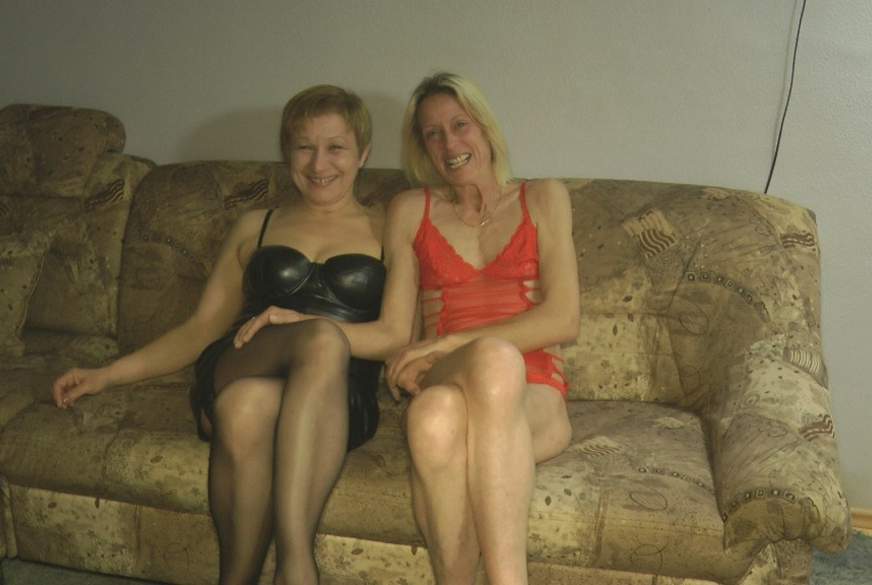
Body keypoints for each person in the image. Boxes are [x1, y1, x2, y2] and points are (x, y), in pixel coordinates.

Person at [237, 72, 580, 585]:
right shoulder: (410, 209)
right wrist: (305, 323)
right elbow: (396, 333)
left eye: (460, 125)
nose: (449, 144)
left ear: (486, 128)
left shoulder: (545, 197)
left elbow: (563, 317)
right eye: (432, 134)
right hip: (447, 374)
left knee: (448, 406)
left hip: (532, 391)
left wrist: (448, 342)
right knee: (460, 386)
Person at [51, 85, 388, 585]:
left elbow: (398, 337)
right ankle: (296, 565)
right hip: (245, 357)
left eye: (336, 147)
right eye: (304, 147)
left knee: (246, 405)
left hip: (338, 397)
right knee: (316, 341)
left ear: (363, 153)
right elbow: (201, 328)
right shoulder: (257, 225)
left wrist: (305, 324)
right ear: (287, 152)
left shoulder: (390, 228)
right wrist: (107, 375)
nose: (319, 164)